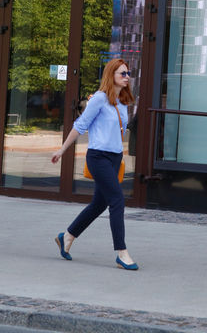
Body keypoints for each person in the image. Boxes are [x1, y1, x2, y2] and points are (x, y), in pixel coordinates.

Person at [51, 58, 138, 270]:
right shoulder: (99, 99)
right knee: (117, 199)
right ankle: (122, 252)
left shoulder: (120, 101)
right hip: (98, 157)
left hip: (115, 158)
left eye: (127, 73)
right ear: (111, 75)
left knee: (100, 203)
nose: (126, 77)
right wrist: (62, 150)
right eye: (122, 73)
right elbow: (80, 125)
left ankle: (68, 236)